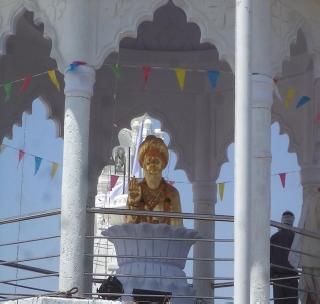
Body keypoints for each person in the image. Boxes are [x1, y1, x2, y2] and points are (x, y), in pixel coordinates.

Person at [126, 135, 182, 226]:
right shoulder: (136, 190)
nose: (152, 164)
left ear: (163, 164)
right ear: (143, 164)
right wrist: (133, 203)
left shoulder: (172, 194)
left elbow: (177, 230)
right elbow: (128, 229)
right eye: (149, 160)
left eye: (156, 161)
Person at [270, 211, 299, 303]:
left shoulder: (274, 237)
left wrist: (271, 274)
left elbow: (269, 258)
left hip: (277, 277)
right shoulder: (296, 237)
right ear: (292, 221)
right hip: (292, 276)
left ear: (282, 221)